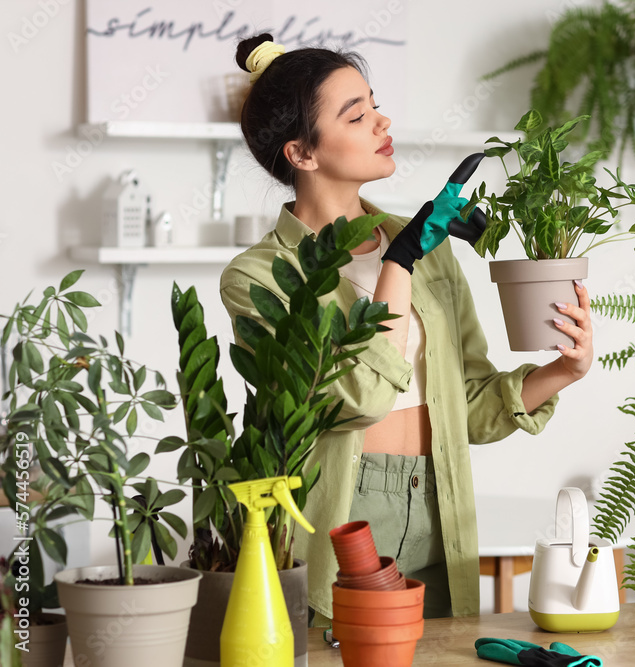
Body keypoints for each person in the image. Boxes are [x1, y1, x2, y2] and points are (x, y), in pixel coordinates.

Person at [219, 34, 594, 622]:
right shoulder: (261, 277)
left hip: (441, 504)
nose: (381, 120)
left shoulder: (423, 242)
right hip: (338, 514)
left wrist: (564, 370)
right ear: (303, 154)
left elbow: (466, 406)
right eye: (357, 114)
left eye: (375, 103)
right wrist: (398, 261)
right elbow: (360, 400)